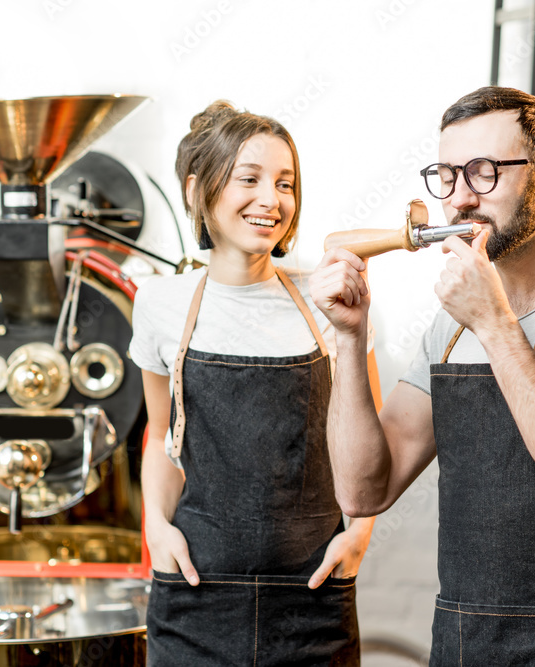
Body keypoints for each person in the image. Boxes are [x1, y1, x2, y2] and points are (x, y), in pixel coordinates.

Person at [309, 86, 535, 664]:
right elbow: (363, 490)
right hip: (465, 643)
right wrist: (351, 338)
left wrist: (494, 322)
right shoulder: (451, 323)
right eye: (447, 175)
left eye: (483, 173)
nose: (458, 199)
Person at [130, 101, 377, 666]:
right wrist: (156, 529)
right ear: (198, 190)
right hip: (194, 596)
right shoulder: (160, 303)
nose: (272, 199)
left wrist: (358, 533)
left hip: (313, 596)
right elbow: (162, 437)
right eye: (251, 179)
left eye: (285, 183)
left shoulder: (329, 300)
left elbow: (370, 443)